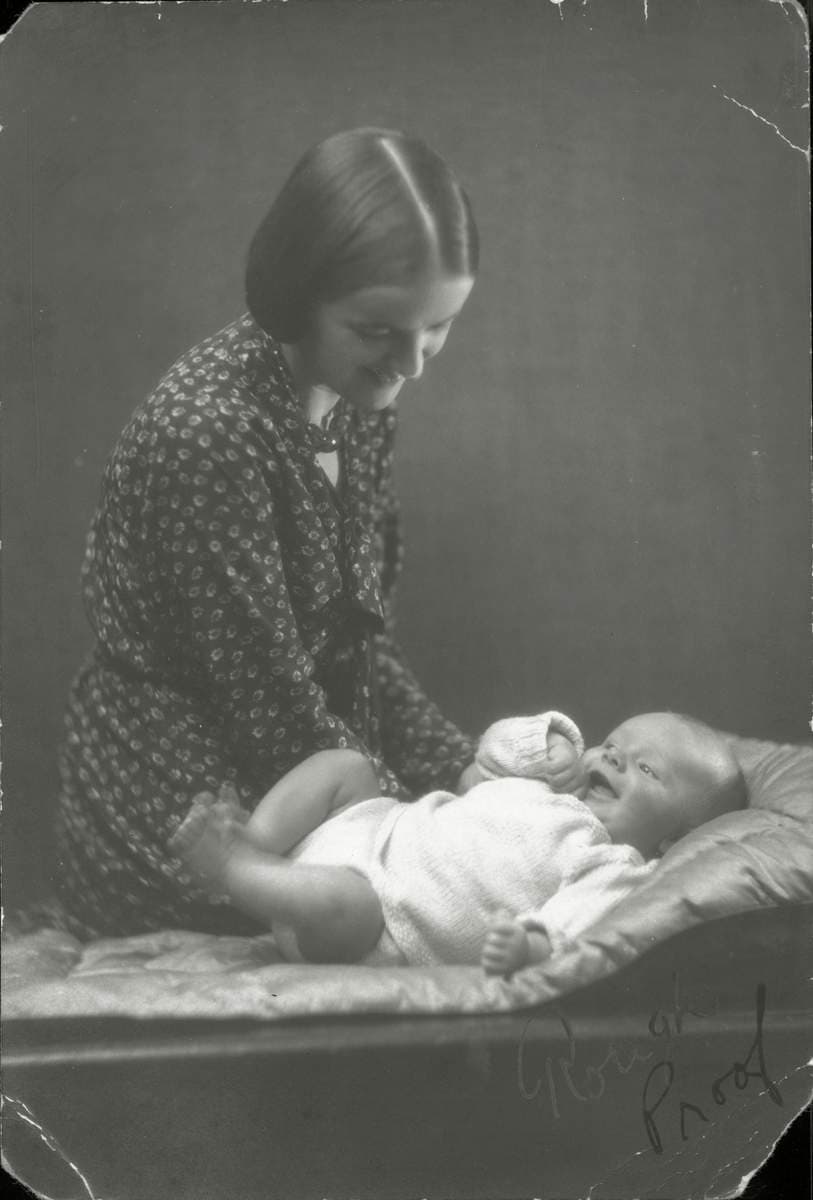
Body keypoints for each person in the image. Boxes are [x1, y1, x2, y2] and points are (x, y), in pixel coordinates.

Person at [54, 127, 480, 938]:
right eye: (381, 330)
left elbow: (357, 640)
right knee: (427, 899)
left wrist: (462, 769)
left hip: (312, 772)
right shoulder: (207, 436)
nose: (414, 364)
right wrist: (431, 825)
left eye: (438, 327)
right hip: (188, 814)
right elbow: (268, 698)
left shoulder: (354, 400)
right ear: (298, 293)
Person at [168, 711, 747, 967]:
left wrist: (534, 947)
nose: (615, 758)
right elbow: (488, 755)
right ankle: (255, 843)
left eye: (646, 771)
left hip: (375, 924)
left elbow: (580, 922)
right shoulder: (553, 791)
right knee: (346, 766)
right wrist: (545, 744)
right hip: (377, 827)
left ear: (673, 841)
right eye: (615, 745)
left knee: (351, 902)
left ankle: (232, 873)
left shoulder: (613, 862)